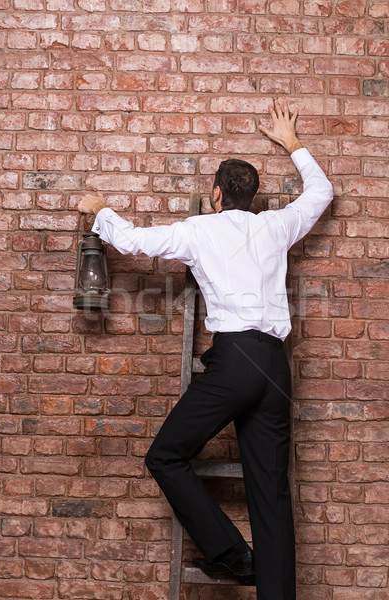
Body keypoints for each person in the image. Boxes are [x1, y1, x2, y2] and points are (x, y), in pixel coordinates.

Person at [78, 99, 333, 600]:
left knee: (166, 457)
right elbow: (322, 191)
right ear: (253, 196)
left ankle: (232, 555)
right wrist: (292, 143)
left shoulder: (199, 230)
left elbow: (131, 241)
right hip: (276, 367)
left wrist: (98, 209)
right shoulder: (276, 225)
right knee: (272, 494)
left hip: (235, 360)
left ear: (216, 194)